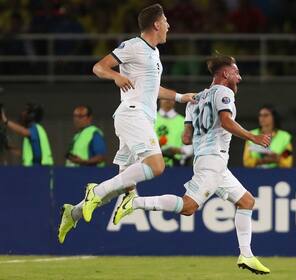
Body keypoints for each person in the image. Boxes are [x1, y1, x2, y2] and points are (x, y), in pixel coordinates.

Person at [112, 55, 271, 274]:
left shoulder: (195, 100)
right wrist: (253, 137)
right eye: (235, 72)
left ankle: (247, 255)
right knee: (188, 208)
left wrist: (202, 131)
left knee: (246, 201)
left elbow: (186, 138)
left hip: (208, 160)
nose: (239, 76)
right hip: (213, 160)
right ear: (225, 74)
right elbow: (225, 121)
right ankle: (135, 204)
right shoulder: (224, 92)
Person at [57, 4, 195, 243]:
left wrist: (182, 97)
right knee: (157, 166)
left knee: (124, 187)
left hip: (140, 117)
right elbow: (99, 67)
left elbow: (153, 90)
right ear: (156, 25)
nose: (169, 26)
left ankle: (74, 212)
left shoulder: (154, 53)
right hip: (132, 115)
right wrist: (116, 76)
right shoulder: (133, 45)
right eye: (166, 21)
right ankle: (94, 191)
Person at [155, 99, 193, 166]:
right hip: (153, 163)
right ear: (160, 99)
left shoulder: (183, 121)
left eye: (171, 98)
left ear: (175, 100)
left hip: (175, 165)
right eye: (165, 97)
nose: (168, 100)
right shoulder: (151, 118)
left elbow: (191, 145)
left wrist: (180, 150)